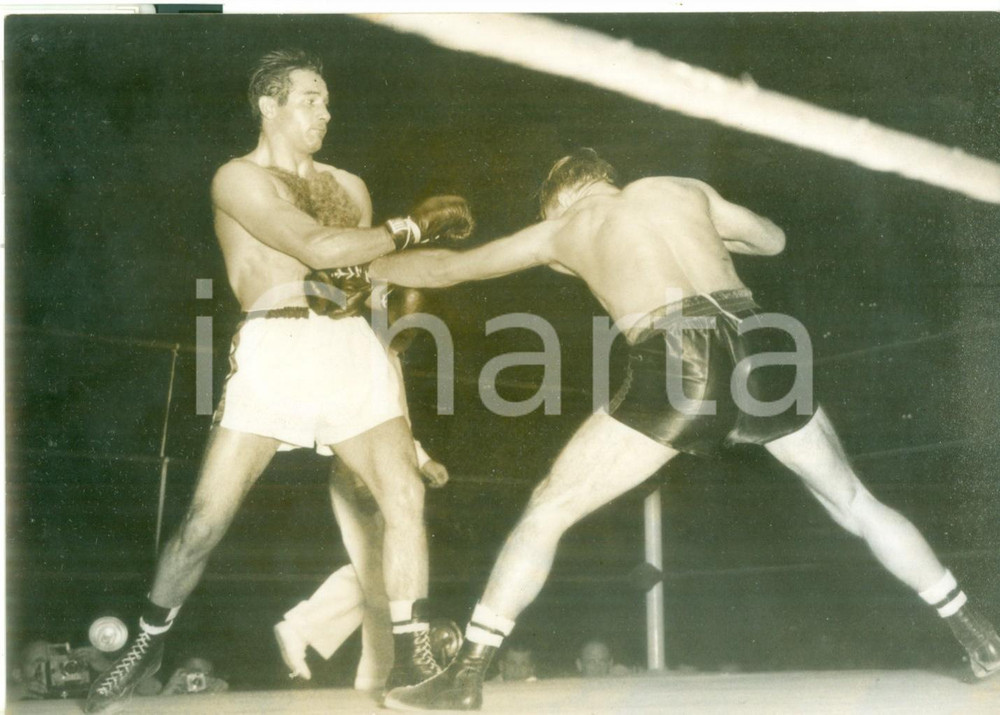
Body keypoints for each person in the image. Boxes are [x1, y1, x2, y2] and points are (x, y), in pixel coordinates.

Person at [364, 148, 1000, 710]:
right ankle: (979, 636)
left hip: (680, 357)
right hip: (766, 347)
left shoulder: (564, 226)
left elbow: (449, 269)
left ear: (560, 196)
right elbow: (773, 240)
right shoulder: (682, 188)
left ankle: (464, 678)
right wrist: (711, 241)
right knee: (854, 500)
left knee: (548, 508)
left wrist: (370, 268)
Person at [85, 49, 471, 714]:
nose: (326, 112)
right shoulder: (237, 178)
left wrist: (494, 256)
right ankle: (147, 642)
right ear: (269, 105)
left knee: (403, 495)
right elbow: (316, 247)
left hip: (349, 347)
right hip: (276, 344)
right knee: (204, 522)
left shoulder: (349, 186)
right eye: (311, 99)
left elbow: (372, 278)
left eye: (327, 101)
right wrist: (411, 227)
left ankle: (412, 659)